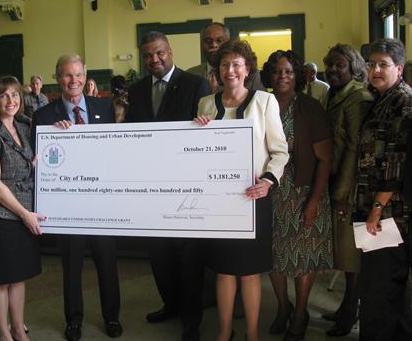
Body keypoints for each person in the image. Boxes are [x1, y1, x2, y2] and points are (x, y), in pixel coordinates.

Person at [194, 39, 288, 341]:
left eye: (237, 64)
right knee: (223, 270)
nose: (230, 70)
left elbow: (280, 151)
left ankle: (251, 334)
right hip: (217, 201)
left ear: (248, 69)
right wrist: (196, 132)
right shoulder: (206, 104)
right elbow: (196, 153)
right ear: (217, 70)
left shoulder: (265, 102)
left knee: (249, 271)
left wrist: (268, 181)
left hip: (253, 197)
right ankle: (224, 332)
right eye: (224, 64)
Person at [125, 31, 211, 341]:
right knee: (159, 253)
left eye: (159, 52)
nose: (155, 59)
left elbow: (206, 135)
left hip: (186, 187)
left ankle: (191, 320)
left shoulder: (195, 85)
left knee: (188, 256)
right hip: (150, 186)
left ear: (170, 51)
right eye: (148, 55)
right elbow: (131, 134)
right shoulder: (136, 91)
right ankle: (170, 305)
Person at [32, 54, 122, 341]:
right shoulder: (44, 116)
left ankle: (112, 317)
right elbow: (39, 162)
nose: (74, 80)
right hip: (67, 206)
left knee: (107, 263)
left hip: (101, 203)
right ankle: (73, 320)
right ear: (57, 78)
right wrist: (54, 137)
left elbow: (114, 151)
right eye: (67, 75)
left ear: (85, 76)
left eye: (78, 75)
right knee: (71, 267)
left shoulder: (104, 108)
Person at [267, 50, 333, 341]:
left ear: (298, 76)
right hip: (270, 193)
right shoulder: (261, 104)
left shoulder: (310, 108)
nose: (282, 76)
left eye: (288, 71)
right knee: (272, 257)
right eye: (276, 71)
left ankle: (300, 312)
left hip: (303, 192)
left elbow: (325, 159)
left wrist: (314, 201)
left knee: (303, 257)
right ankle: (284, 306)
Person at [0, 76, 45, 341]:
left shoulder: (24, 126)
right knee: (1, 279)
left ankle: (18, 328)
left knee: (18, 276)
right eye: (3, 95)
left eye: (15, 95)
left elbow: (31, 160)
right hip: (0, 215)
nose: (10, 100)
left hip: (24, 211)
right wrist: (24, 214)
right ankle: (5, 334)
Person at [354, 38, 412, 341]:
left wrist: (376, 210)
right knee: (380, 285)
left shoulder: (404, 102)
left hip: (390, 214)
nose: (375, 69)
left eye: (383, 65)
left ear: (399, 69)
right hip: (372, 207)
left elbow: (396, 162)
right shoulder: (378, 98)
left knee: (381, 288)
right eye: (371, 64)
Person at [322, 43, 373, 337]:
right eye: (330, 65)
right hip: (336, 180)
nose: (333, 70)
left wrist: (342, 194)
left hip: (351, 188)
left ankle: (350, 311)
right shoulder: (335, 93)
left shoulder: (358, 97)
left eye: (339, 65)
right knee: (344, 253)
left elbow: (355, 149)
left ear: (354, 68)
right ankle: (346, 307)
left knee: (352, 256)